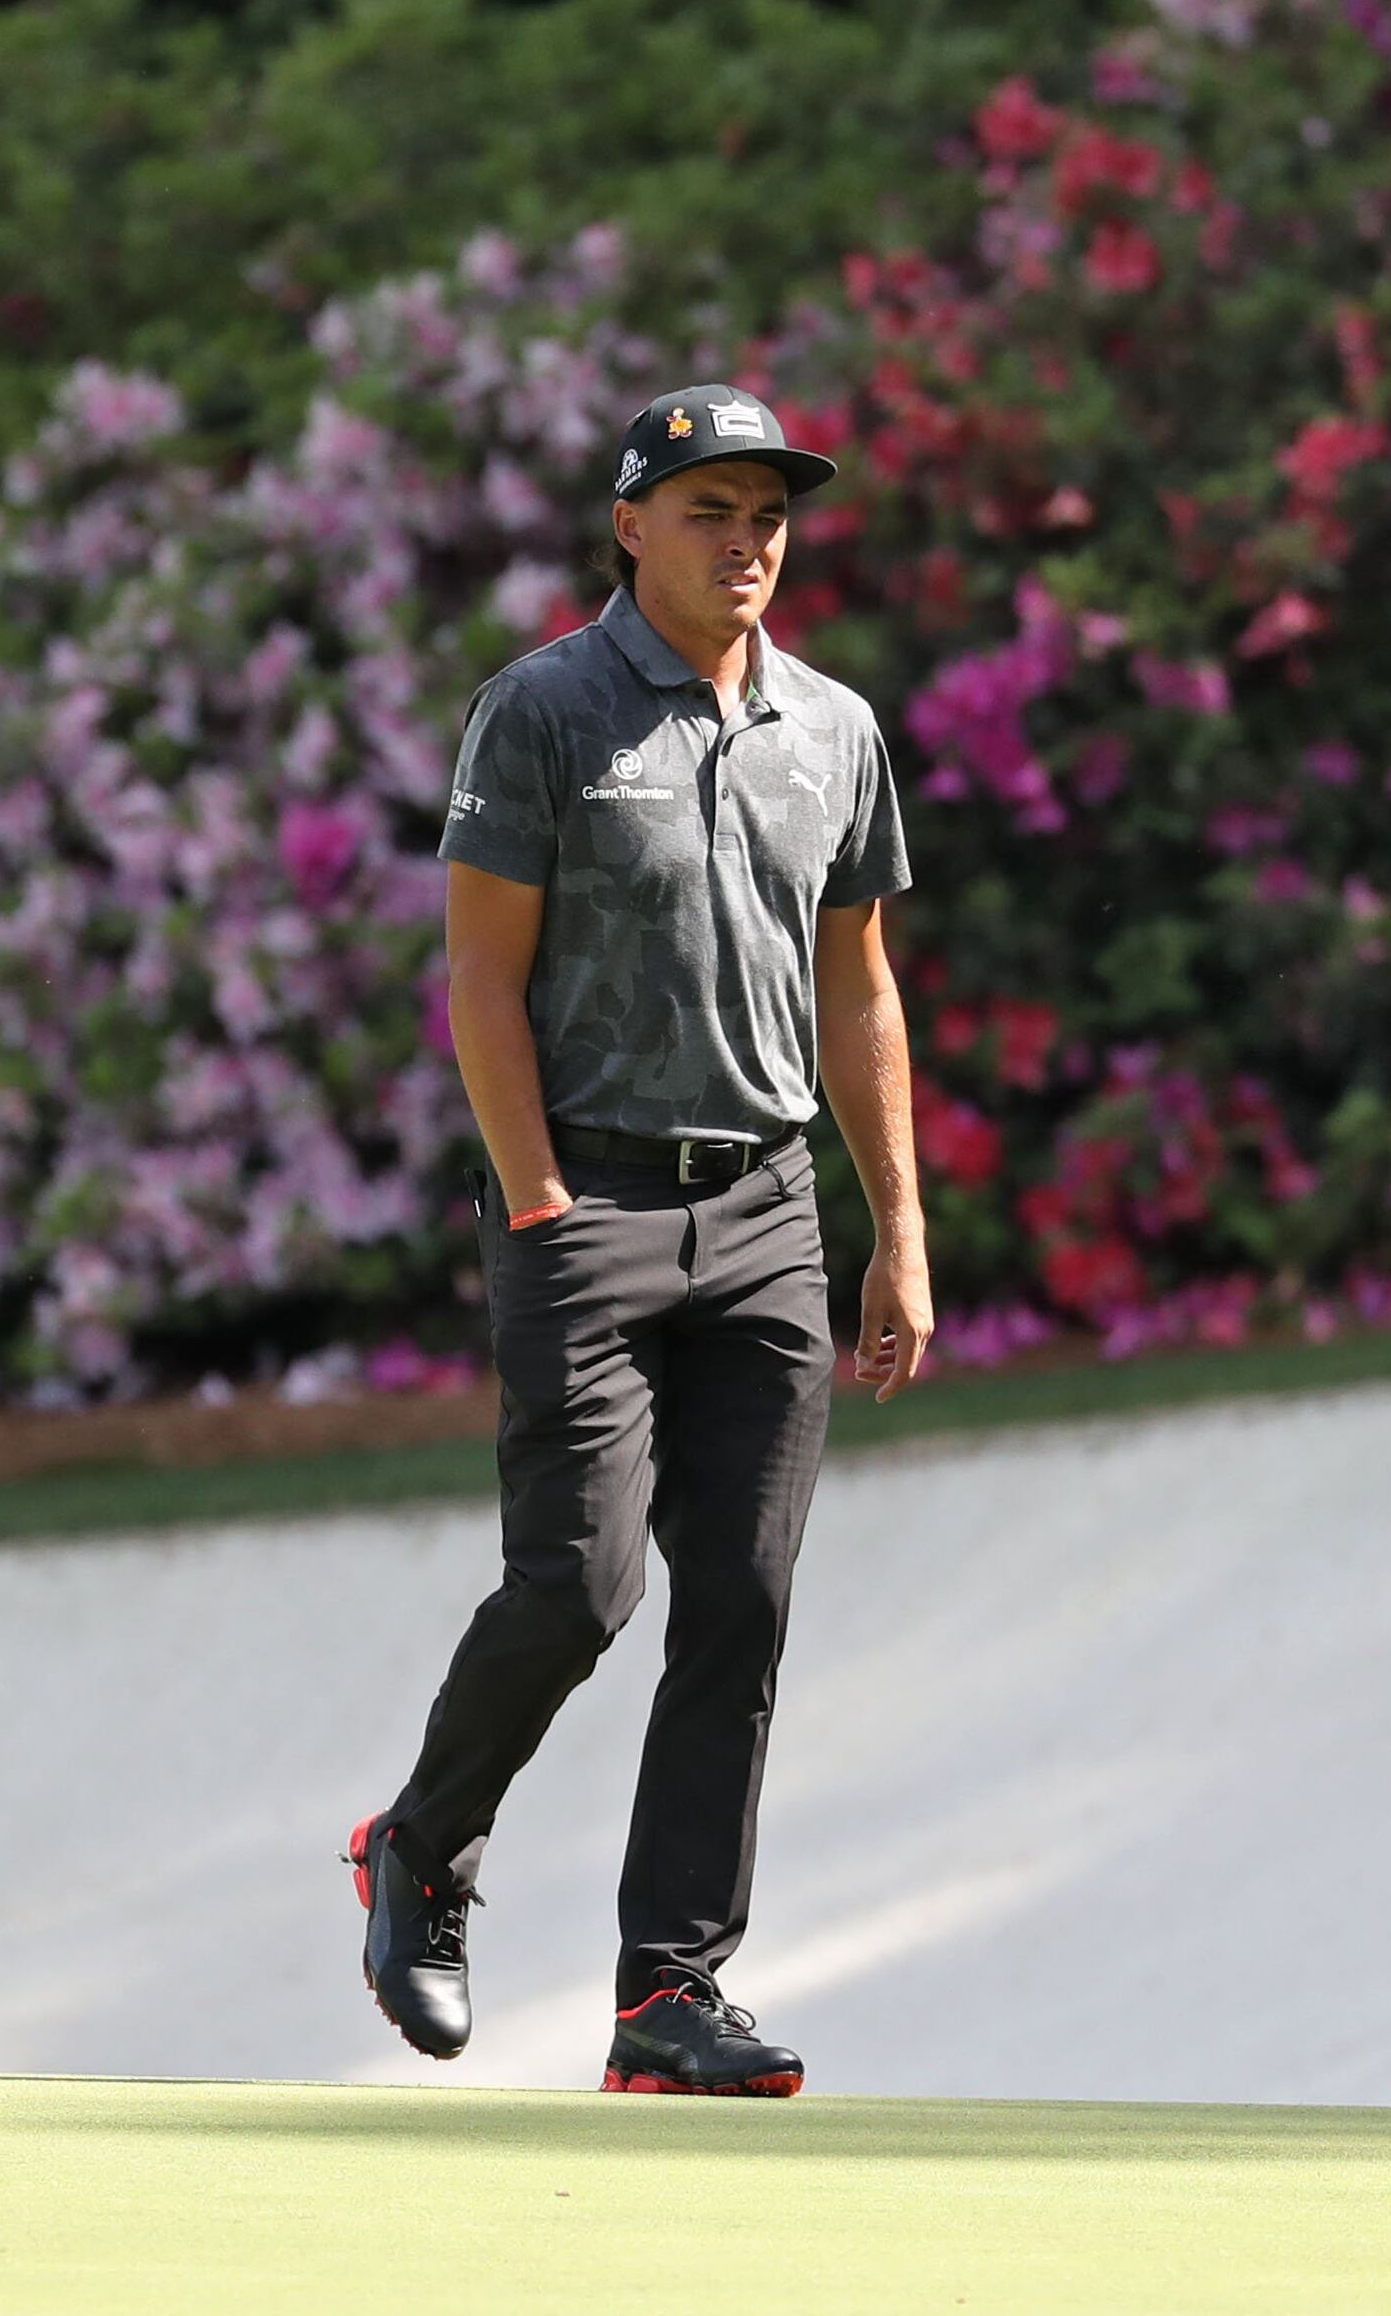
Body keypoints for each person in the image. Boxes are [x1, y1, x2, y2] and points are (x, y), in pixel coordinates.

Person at [348, 383, 929, 2097]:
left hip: (763, 1211)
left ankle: (668, 1995)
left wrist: (893, 1228)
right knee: (583, 1586)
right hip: (582, 1202)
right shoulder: (540, 713)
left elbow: (859, 984)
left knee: (740, 1599)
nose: (747, 541)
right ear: (628, 525)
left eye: (768, 515)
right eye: (708, 511)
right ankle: (423, 1850)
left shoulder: (836, 730)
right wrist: (532, 1195)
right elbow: (480, 977)